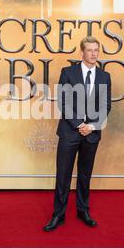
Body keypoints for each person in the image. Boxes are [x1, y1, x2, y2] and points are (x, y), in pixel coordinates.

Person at [43, 36, 112, 232]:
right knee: (63, 174)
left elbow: (106, 105)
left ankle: (83, 210)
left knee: (85, 174)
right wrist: (79, 124)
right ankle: (59, 214)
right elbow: (62, 102)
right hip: (69, 132)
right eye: (89, 50)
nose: (93, 54)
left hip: (91, 134)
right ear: (82, 52)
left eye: (96, 50)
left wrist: (91, 126)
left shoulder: (104, 76)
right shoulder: (68, 72)